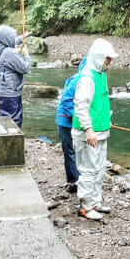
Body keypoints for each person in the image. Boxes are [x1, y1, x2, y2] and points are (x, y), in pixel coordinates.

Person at [72, 39, 119, 220]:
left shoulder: (101, 75)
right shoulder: (87, 78)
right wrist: (89, 129)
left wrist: (107, 121)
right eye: (107, 59)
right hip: (88, 134)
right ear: (99, 57)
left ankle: (95, 202)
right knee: (89, 169)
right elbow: (81, 106)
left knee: (100, 168)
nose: (109, 62)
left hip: (101, 131)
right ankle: (85, 205)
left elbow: (101, 103)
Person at [55, 57, 86, 194]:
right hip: (66, 122)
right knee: (70, 152)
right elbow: (67, 103)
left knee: (78, 151)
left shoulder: (91, 81)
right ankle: (74, 181)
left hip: (76, 122)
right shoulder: (76, 80)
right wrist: (83, 119)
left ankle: (77, 180)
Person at [0, 25, 31, 126]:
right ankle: (13, 140)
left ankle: (3, 138)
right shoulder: (9, 53)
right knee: (14, 120)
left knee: (3, 118)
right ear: (6, 37)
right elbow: (25, 68)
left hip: (1, 90)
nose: (13, 38)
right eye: (12, 36)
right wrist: (26, 55)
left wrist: (22, 37)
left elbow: (12, 43)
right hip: (10, 92)